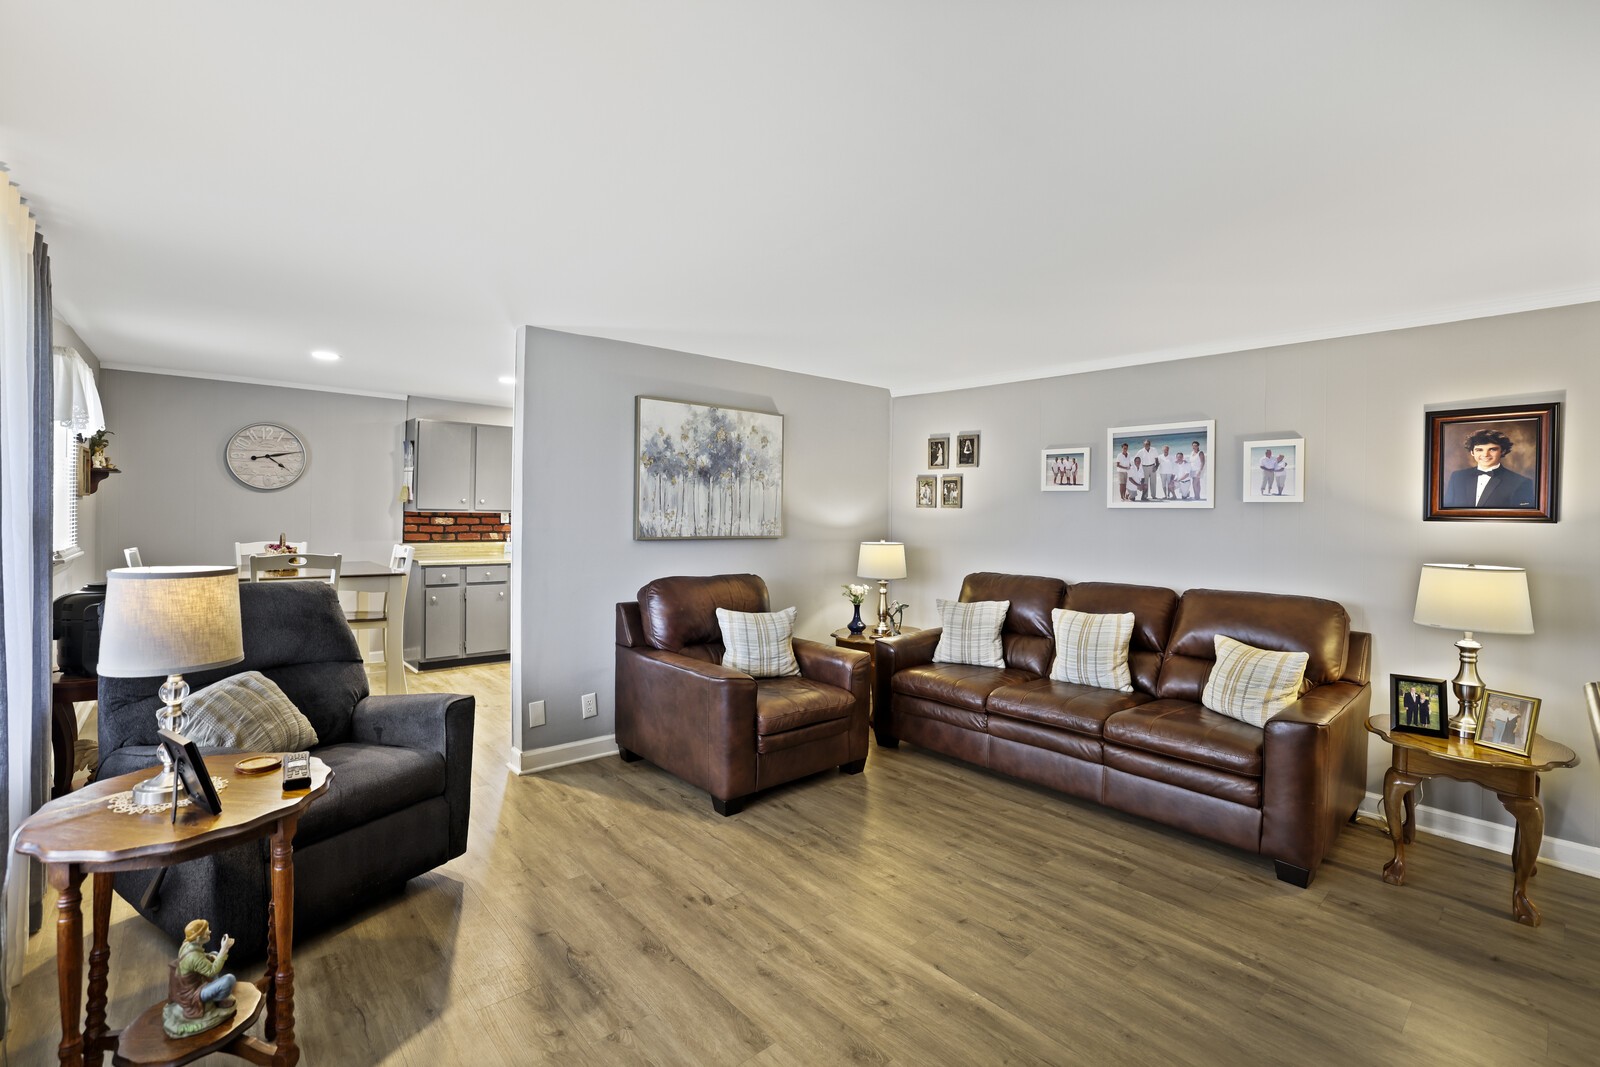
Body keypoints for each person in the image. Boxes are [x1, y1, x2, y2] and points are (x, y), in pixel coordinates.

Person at [165, 919, 237, 1037]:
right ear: (198, 939)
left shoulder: (187, 943)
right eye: (206, 932)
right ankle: (217, 1000)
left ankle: (214, 991)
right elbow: (212, 971)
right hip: (194, 994)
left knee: (213, 954)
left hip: (195, 982)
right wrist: (224, 950)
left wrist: (213, 956)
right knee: (229, 979)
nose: (210, 932)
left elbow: (201, 959)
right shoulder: (194, 957)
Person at [1442, 428, 1536, 508]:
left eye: (1492, 449)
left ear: (1503, 451)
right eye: (1479, 450)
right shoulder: (1457, 477)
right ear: (1472, 452)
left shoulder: (1521, 482)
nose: (1485, 455)